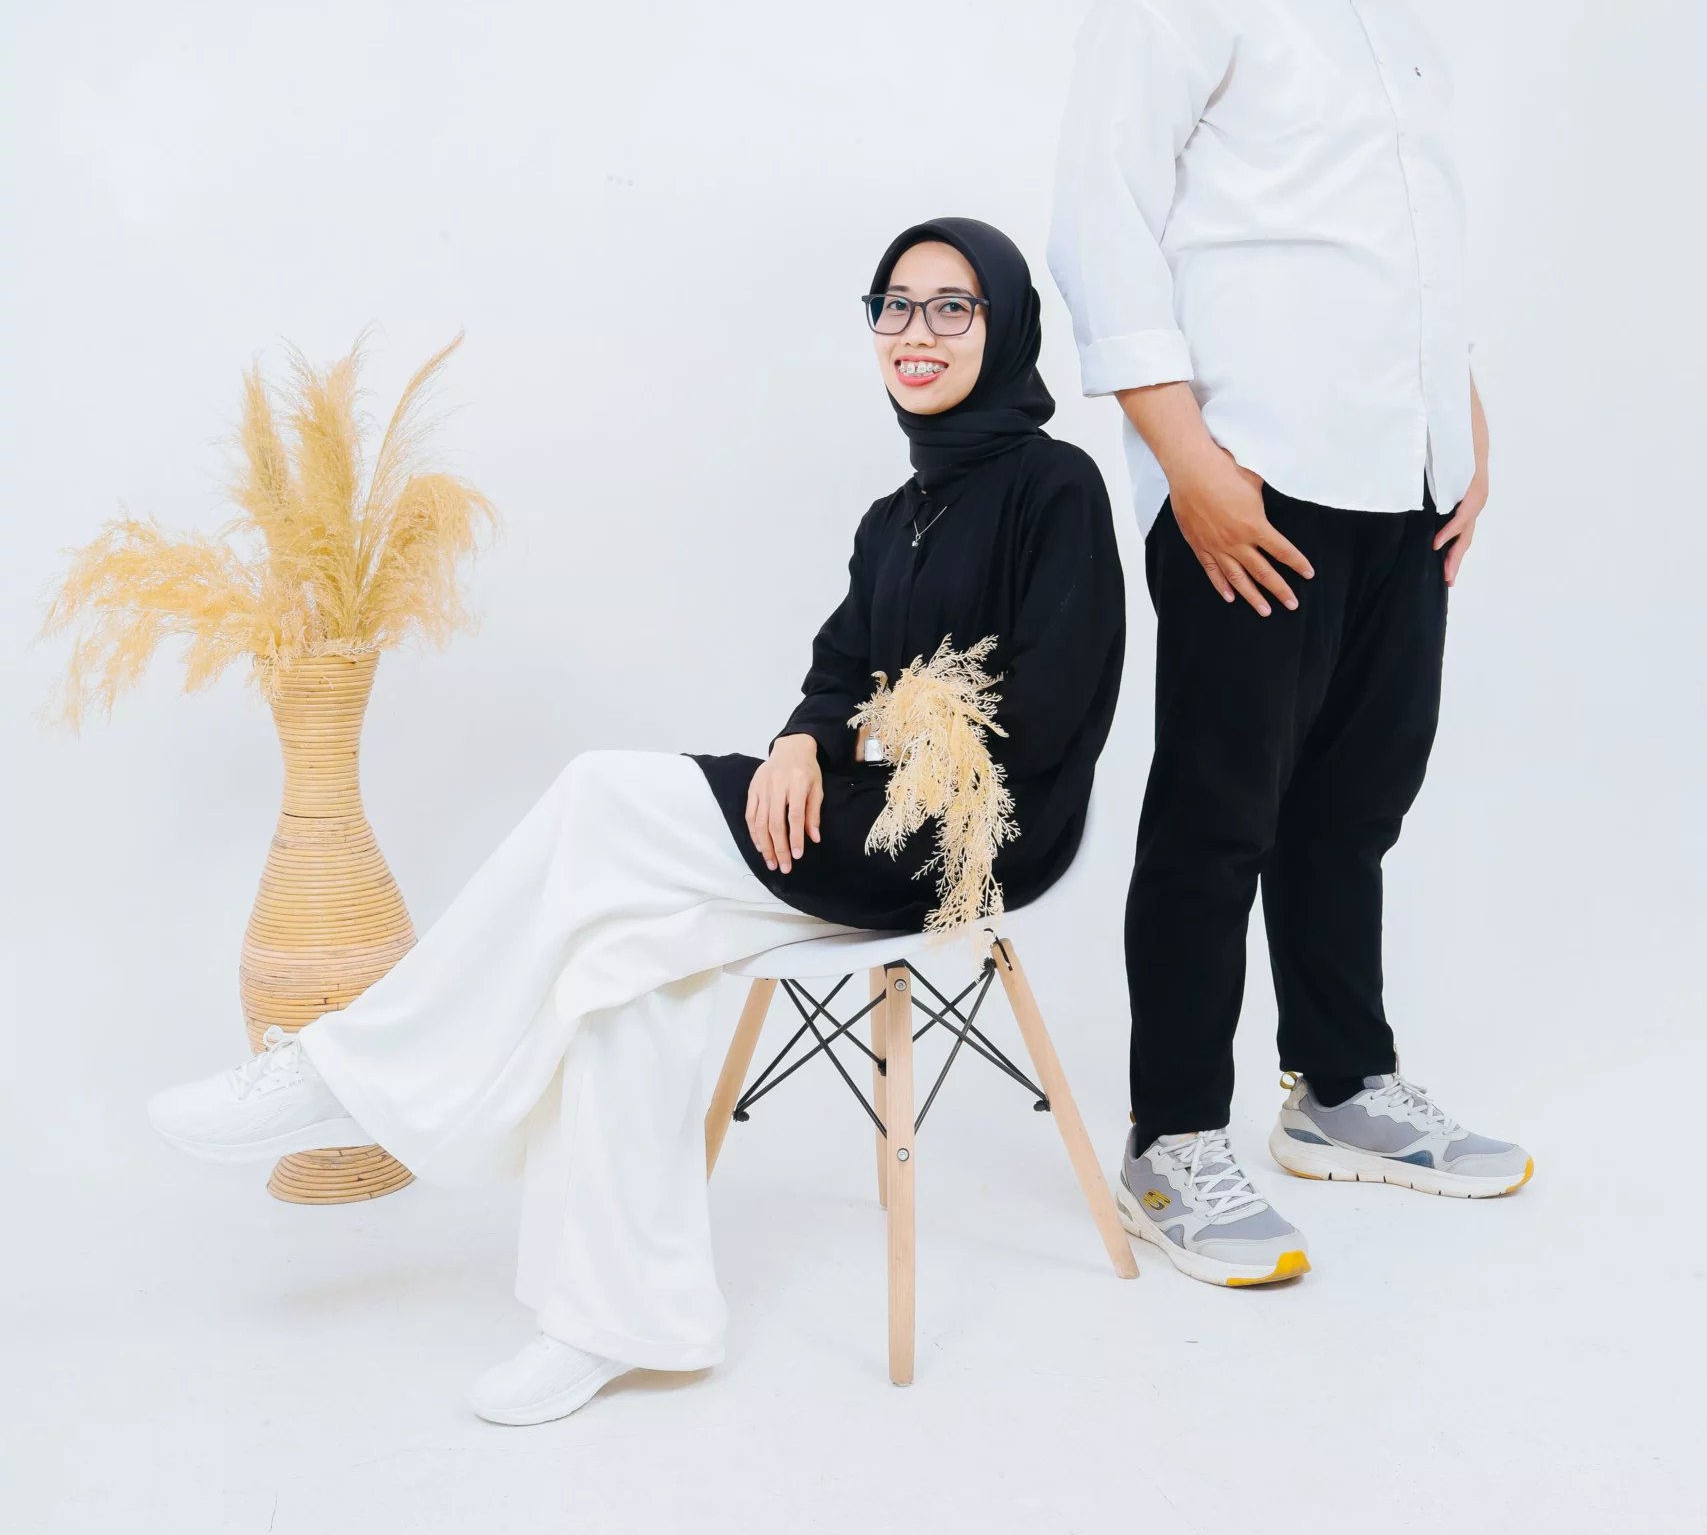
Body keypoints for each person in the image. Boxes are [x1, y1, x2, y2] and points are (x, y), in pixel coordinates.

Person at [149, 219, 1125, 1419]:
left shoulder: (1055, 486)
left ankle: (348, 1068)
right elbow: (838, 668)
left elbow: (1049, 712)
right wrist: (802, 742)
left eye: (951, 306)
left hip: (973, 840)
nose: (915, 332)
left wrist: (889, 737)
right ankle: (613, 1320)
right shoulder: (896, 514)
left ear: (1006, 324)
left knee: (601, 793)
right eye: (895, 304)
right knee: (616, 954)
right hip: (866, 818)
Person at [1048, 0, 1532, 1291]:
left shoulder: (1398, 23)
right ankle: (1172, 1136)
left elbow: (1401, 247)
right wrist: (1182, 459)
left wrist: (1460, 423)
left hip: (1404, 483)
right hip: (1250, 484)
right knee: (1217, 815)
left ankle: (1336, 1088)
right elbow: (1103, 228)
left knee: (1355, 807)